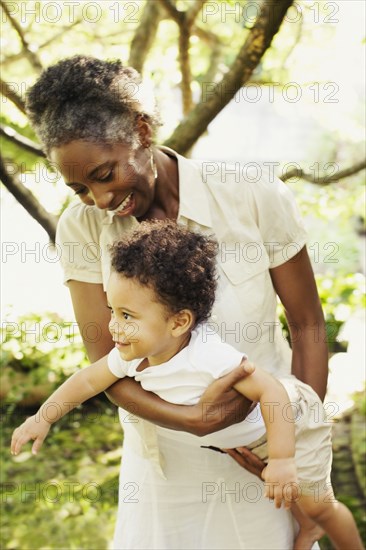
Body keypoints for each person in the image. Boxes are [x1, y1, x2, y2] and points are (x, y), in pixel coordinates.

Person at [22, 55, 329, 549]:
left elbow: (308, 325)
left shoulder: (252, 195)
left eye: (104, 173)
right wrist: (192, 421)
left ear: (141, 131)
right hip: (161, 472)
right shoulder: (81, 229)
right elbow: (106, 362)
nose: (99, 200)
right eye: (79, 188)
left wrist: (296, 450)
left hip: (265, 462)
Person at [11, 220, 364, 550]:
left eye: (127, 316)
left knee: (319, 506)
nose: (114, 327)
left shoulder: (209, 355)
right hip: (251, 438)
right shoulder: (130, 354)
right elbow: (88, 379)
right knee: (290, 495)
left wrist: (284, 459)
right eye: (112, 311)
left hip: (292, 421)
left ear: (179, 322)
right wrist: (44, 417)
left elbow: (270, 391)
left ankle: (324, 528)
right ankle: (305, 519)